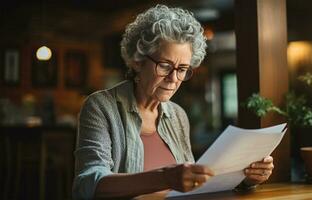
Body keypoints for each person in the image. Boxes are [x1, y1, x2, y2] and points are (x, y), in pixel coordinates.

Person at [72, 4, 274, 199]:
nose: (173, 78)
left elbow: (193, 184)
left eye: (182, 69)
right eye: (164, 65)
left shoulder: (178, 115)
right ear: (137, 61)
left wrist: (245, 178)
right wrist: (165, 177)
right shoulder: (101, 106)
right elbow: (88, 183)